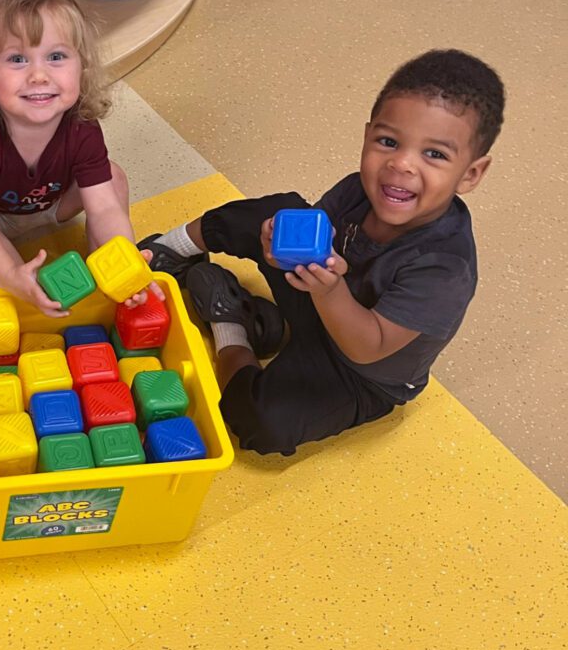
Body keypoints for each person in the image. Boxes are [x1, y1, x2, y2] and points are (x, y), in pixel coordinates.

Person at [141, 49, 505, 455]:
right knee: (274, 213)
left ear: (470, 173)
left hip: (360, 370)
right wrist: (276, 246)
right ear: (367, 135)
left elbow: (368, 346)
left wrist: (329, 292)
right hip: (319, 294)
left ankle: (233, 326)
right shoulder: (358, 189)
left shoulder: (444, 268)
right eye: (388, 142)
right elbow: (309, 233)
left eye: (434, 154)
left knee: (261, 422)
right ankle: (171, 248)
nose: (400, 164)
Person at [0, 0, 160, 317]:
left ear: (82, 66)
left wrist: (126, 259)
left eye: (56, 56)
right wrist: (10, 275)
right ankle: (19, 281)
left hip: (53, 204)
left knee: (113, 178)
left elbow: (104, 209)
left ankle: (109, 269)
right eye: (18, 59)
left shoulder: (82, 126)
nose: (39, 76)